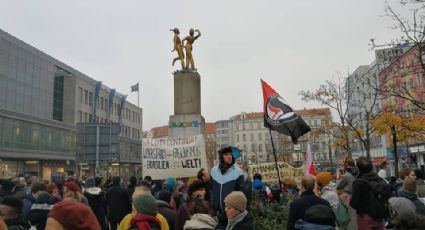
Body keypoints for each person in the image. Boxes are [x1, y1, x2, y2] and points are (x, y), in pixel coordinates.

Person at [350, 156, 392, 230]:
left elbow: (354, 203)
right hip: (380, 216)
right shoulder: (380, 180)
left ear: (359, 169)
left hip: (364, 216)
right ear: (371, 167)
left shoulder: (359, 182)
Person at [211, 146, 247, 229]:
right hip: (218, 213)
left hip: (233, 213)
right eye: (226, 154)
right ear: (221, 157)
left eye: (230, 154)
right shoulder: (213, 170)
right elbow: (211, 188)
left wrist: (239, 209)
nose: (229, 156)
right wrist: (212, 204)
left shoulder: (238, 171)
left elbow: (243, 193)